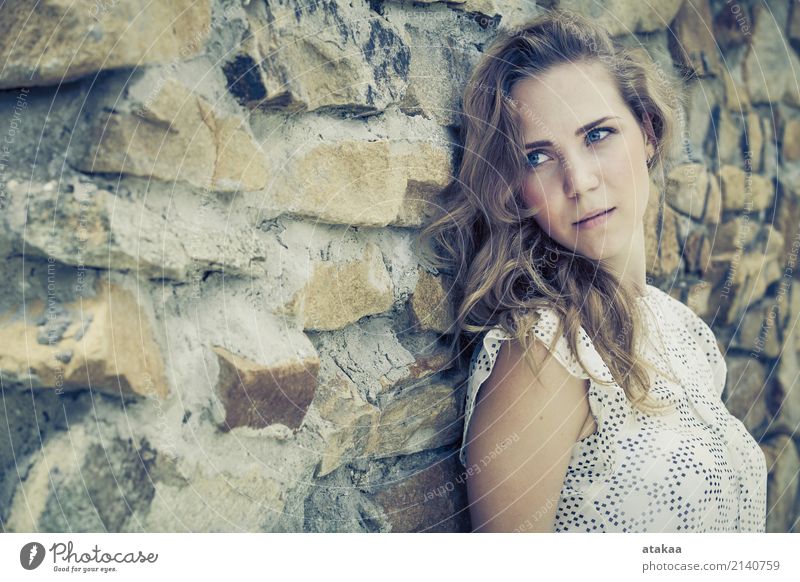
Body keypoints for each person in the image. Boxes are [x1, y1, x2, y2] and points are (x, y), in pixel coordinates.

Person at [417, 9, 768, 532]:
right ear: (515, 186)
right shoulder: (544, 350)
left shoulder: (687, 333)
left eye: (598, 134)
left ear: (648, 132)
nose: (578, 181)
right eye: (538, 157)